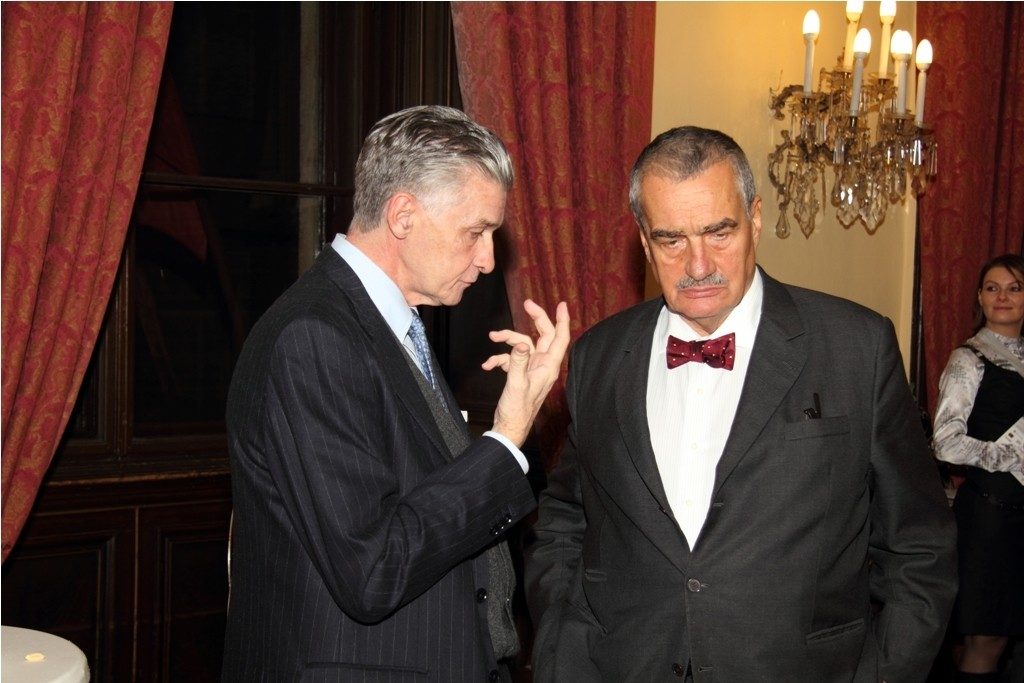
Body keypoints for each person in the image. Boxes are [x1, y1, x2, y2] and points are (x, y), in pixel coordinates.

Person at [524, 126, 957, 682]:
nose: (698, 264)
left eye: (719, 232)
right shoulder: (599, 356)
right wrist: (563, 656)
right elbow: (564, 523)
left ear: (755, 219)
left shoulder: (855, 346)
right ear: (644, 241)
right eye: (671, 240)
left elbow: (919, 547)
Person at [222, 105, 570, 682]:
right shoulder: (315, 337)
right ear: (403, 215)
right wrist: (507, 438)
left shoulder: (388, 322)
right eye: (476, 232)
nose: (488, 260)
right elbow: (373, 570)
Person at [933, 253, 1024, 683]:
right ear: (980, 299)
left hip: (1019, 518)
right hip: (988, 517)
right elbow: (945, 443)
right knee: (984, 640)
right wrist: (1011, 456)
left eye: (1014, 288)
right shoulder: (968, 359)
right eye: (992, 288)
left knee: (1005, 639)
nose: (1002, 296)